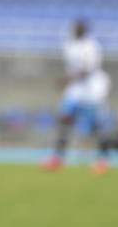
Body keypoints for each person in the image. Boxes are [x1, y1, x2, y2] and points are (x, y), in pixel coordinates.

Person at [41, 19, 111, 175]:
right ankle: (58, 158)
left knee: (97, 125)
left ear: (83, 30)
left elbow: (88, 70)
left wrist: (67, 79)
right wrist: (69, 80)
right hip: (75, 90)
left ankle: (103, 160)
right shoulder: (69, 44)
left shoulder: (91, 46)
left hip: (92, 90)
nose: (73, 30)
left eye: (76, 28)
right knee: (64, 119)